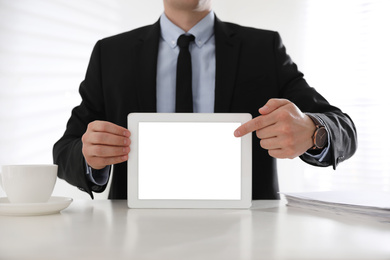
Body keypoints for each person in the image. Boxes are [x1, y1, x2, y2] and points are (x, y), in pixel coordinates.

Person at [53, 0, 357, 200]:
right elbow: (65, 149)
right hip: (135, 231)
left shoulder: (263, 48)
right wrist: (90, 155)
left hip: (248, 235)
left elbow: (344, 128)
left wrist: (313, 131)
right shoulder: (111, 53)